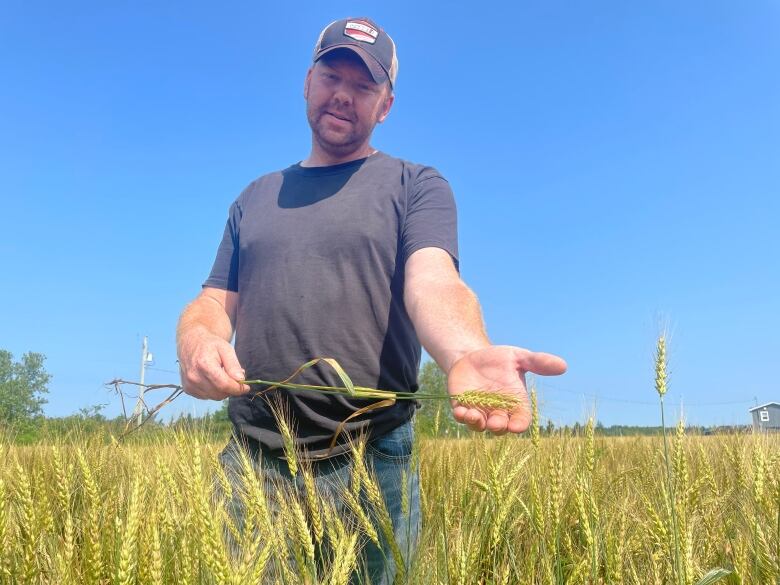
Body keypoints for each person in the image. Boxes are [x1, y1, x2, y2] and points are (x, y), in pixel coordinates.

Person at [175, 16, 567, 583]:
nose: (343, 95)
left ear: (385, 105)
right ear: (308, 81)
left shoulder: (416, 185)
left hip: (370, 460)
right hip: (253, 460)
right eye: (332, 76)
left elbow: (433, 281)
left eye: (364, 87)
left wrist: (464, 351)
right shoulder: (254, 198)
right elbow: (213, 300)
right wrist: (198, 338)